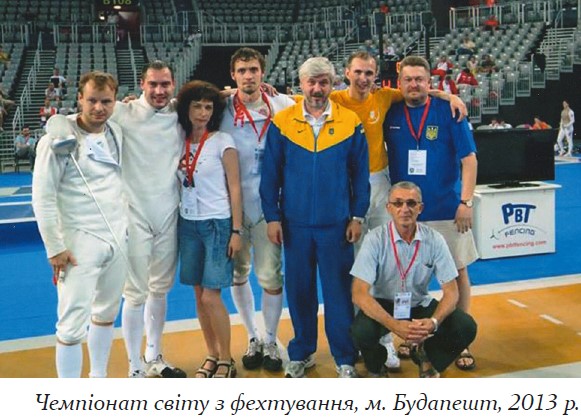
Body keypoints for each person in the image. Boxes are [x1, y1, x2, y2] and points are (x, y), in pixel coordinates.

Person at [332, 50, 467, 370]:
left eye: (369, 73)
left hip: (381, 183)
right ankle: (365, 336)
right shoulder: (334, 99)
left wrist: (448, 96)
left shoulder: (384, 97)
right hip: (345, 183)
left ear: (377, 77)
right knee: (359, 262)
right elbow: (297, 97)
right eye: (357, 72)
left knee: (388, 259)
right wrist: (230, 93)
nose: (363, 78)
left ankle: (386, 341)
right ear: (347, 73)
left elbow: (419, 88)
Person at [260, 57, 370, 378]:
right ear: (301, 84)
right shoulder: (283, 121)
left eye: (324, 82)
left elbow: (360, 175)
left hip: (336, 225)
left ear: (333, 84)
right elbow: (270, 175)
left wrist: (358, 215)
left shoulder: (350, 122)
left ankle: (344, 357)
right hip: (294, 225)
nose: (317, 89)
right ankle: (302, 352)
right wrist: (272, 217)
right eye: (312, 82)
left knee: (338, 293)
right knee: (300, 292)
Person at [385, 55, 479, 371]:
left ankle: (460, 339)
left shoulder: (449, 111)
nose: (414, 84)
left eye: (420, 79)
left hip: (446, 208)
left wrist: (466, 202)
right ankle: (411, 335)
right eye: (408, 79)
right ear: (399, 83)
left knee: (457, 272)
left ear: (430, 82)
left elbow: (469, 160)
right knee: (405, 276)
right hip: (405, 212)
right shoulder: (391, 111)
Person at [32, 71, 127, 377]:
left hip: (116, 237)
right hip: (77, 242)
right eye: (92, 101)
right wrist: (55, 247)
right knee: (72, 325)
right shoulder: (56, 140)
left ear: (115, 102)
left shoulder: (116, 131)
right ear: (80, 100)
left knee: (107, 313)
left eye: (106, 102)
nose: (99, 108)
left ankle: (98, 379)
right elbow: (43, 197)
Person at [351, 182, 477, 378]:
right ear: (388, 208)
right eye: (398, 203)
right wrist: (394, 325)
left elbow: (452, 292)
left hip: (418, 303)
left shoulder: (435, 239)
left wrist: (434, 322)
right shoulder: (374, 240)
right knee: (361, 332)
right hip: (384, 303)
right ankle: (376, 367)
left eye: (411, 203)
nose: (404, 209)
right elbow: (359, 293)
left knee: (465, 327)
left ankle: (427, 355)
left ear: (420, 208)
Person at [220, 48, 296, 372]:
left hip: (270, 209)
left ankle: (270, 339)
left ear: (263, 73)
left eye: (253, 69)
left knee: (270, 277)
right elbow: (183, 103)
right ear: (233, 75)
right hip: (232, 209)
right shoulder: (221, 108)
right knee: (238, 275)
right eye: (242, 71)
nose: (248, 76)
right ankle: (252, 335)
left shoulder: (284, 105)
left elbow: (319, 100)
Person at [112, 60, 186, 378]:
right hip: (134, 215)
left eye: (164, 84)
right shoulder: (122, 112)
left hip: (168, 213)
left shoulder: (180, 112)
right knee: (134, 293)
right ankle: (135, 367)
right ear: (142, 84)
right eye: (153, 84)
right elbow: (81, 117)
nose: (158, 90)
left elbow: (215, 97)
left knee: (159, 290)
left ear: (173, 85)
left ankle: (154, 356)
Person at [176, 80, 243, 378]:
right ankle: (211, 353)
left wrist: (236, 231)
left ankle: (227, 359)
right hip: (188, 223)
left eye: (208, 107)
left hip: (218, 224)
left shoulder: (222, 141)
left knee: (210, 297)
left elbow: (235, 187)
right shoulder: (179, 139)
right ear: (186, 108)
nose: (203, 113)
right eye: (197, 106)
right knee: (198, 294)